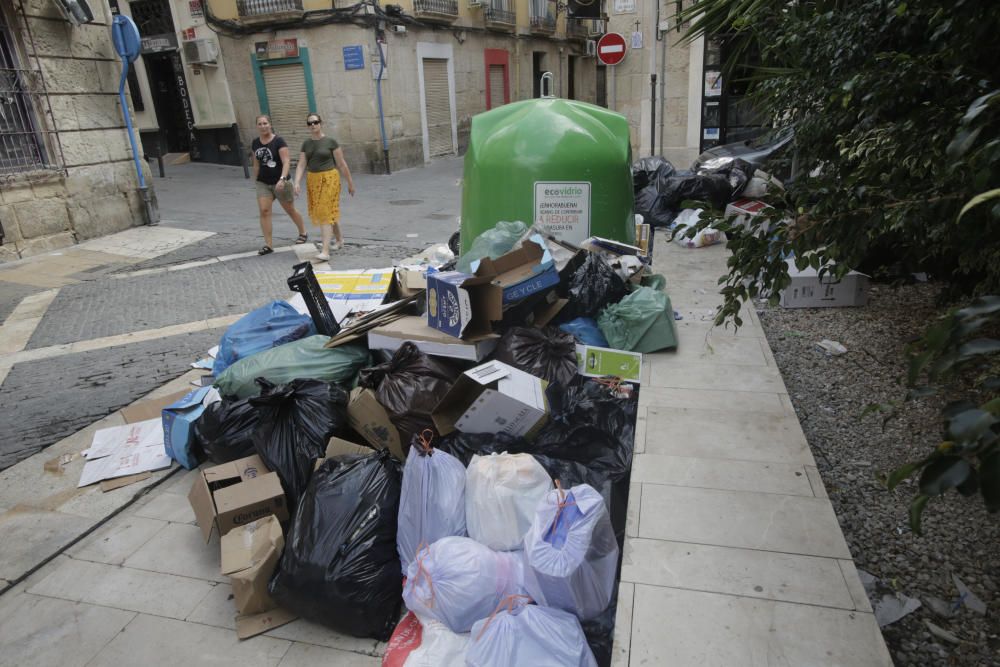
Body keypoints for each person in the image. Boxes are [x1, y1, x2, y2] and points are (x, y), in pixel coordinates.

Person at [294, 112, 355, 261]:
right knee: (329, 211)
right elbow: (302, 164)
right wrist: (296, 182)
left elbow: (341, 164)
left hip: (329, 179)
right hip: (313, 180)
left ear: (321, 123)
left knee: (324, 212)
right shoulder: (306, 144)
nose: (313, 125)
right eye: (310, 123)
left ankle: (325, 251)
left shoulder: (330, 142)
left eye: (315, 122)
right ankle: (339, 240)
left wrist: (350, 183)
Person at [251, 114, 308, 255]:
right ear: (257, 126)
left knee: (290, 209)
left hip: (281, 182)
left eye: (265, 123)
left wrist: (282, 179)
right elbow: (256, 162)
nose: (263, 126)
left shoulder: (279, 141)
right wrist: (256, 179)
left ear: (270, 124)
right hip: (263, 182)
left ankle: (303, 232)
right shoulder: (255, 143)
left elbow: (286, 161)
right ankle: (268, 245)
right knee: (264, 211)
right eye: (260, 124)